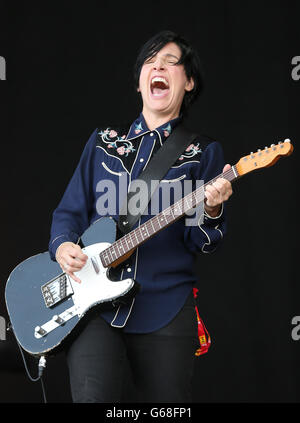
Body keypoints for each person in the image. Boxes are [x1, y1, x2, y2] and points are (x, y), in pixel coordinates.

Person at [49, 30, 233, 403]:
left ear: (189, 81)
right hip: (93, 306)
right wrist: (63, 244)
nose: (158, 67)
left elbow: (201, 241)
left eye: (169, 61)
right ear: (139, 82)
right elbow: (69, 211)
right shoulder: (102, 144)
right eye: (150, 62)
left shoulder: (203, 152)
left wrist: (211, 208)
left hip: (165, 304)